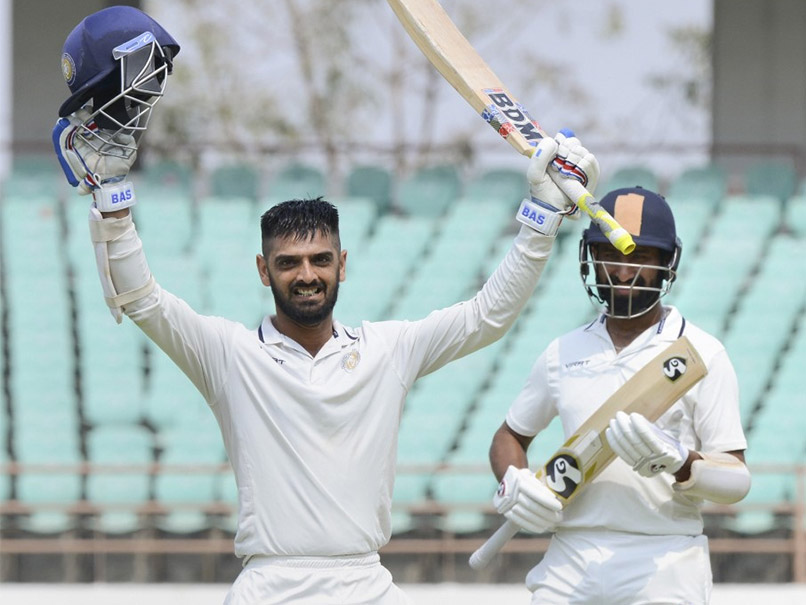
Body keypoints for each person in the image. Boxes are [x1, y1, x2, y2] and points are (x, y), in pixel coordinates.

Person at [52, 7, 601, 603]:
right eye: (288, 263)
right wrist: (112, 202)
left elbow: (487, 317)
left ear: (343, 265)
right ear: (264, 272)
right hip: (269, 584)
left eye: (319, 260)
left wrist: (541, 220)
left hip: (365, 581)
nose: (306, 275)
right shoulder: (229, 354)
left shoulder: (388, 350)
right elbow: (141, 300)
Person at [488, 186, 752, 604]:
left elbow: (736, 481)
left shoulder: (702, 354)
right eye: (610, 255)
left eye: (641, 257)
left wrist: (681, 463)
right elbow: (510, 437)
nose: (624, 272)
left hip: (665, 557)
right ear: (591, 258)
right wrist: (513, 481)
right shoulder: (563, 352)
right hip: (571, 555)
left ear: (668, 263)